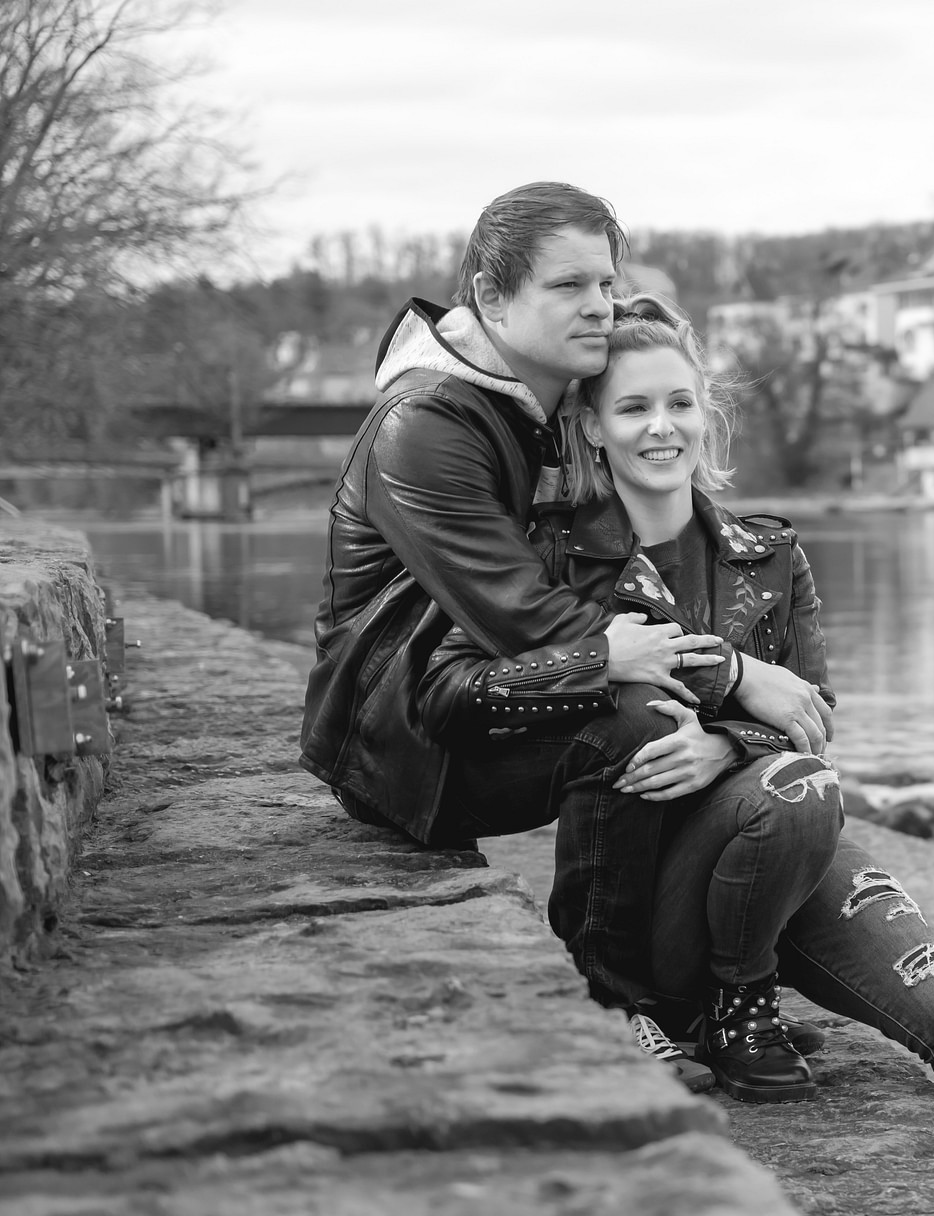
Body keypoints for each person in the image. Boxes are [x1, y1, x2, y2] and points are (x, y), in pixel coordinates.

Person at [419, 292, 934, 1216]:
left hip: (785, 844)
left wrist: (724, 744)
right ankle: (723, 999)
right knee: (791, 787)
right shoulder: (546, 563)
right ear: (590, 425)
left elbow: (813, 719)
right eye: (632, 407)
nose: (661, 427)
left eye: (679, 403)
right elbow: (451, 695)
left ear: (707, 413)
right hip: (645, 886)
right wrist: (668, 671)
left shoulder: (771, 556)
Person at [301, 182, 832, 1095]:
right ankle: (610, 1003)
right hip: (404, 735)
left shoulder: (528, 407)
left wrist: (729, 706)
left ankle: (709, 998)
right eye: (569, 285)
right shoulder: (427, 426)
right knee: (635, 720)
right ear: (490, 296)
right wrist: (737, 675)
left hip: (482, 691)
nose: (600, 305)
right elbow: (530, 617)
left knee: (678, 729)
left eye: (607, 282)